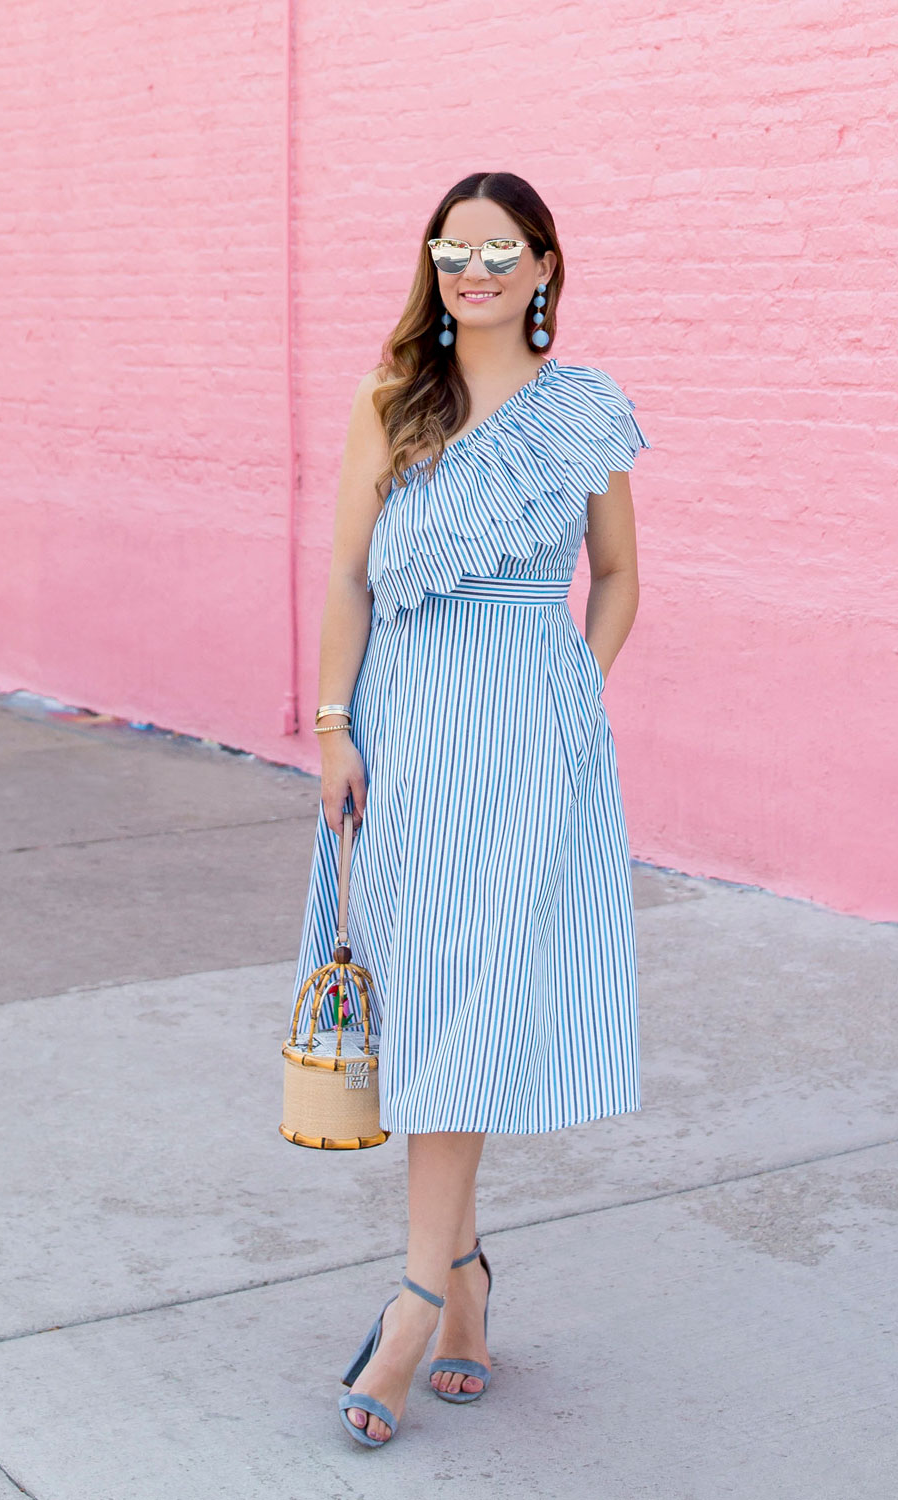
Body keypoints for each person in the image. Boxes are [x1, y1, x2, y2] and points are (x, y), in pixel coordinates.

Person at [290, 170, 651, 1448]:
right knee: (428, 998)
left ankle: (410, 1297)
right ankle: (466, 1278)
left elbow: (616, 578)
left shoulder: (579, 411)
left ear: (546, 266)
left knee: (477, 999)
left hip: (525, 743)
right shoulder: (391, 402)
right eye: (455, 250)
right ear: (434, 268)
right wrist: (332, 728)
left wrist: (575, 694)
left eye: (503, 250)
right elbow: (344, 577)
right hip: (401, 731)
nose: (477, 269)